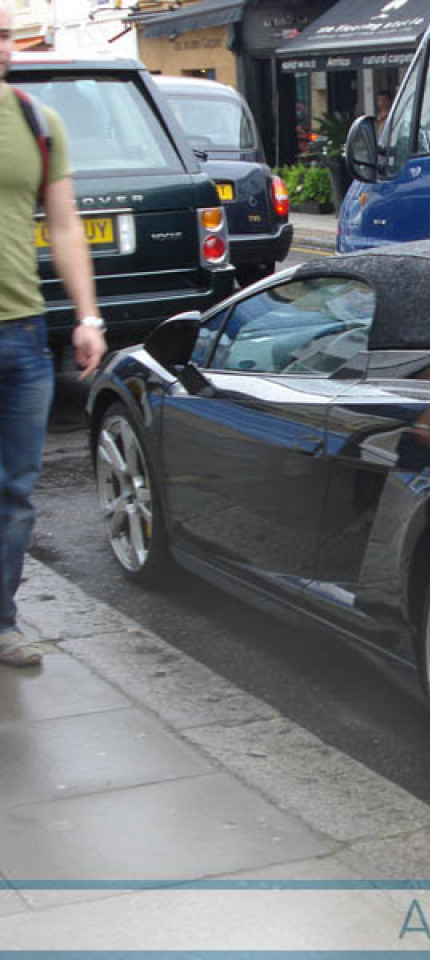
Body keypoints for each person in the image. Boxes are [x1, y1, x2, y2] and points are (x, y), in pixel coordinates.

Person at [0, 1, 107, 668]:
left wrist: (87, 316)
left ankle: (2, 620)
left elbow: (63, 224)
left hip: (22, 337)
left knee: (14, 493)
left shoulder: (38, 122)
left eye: (3, 35)